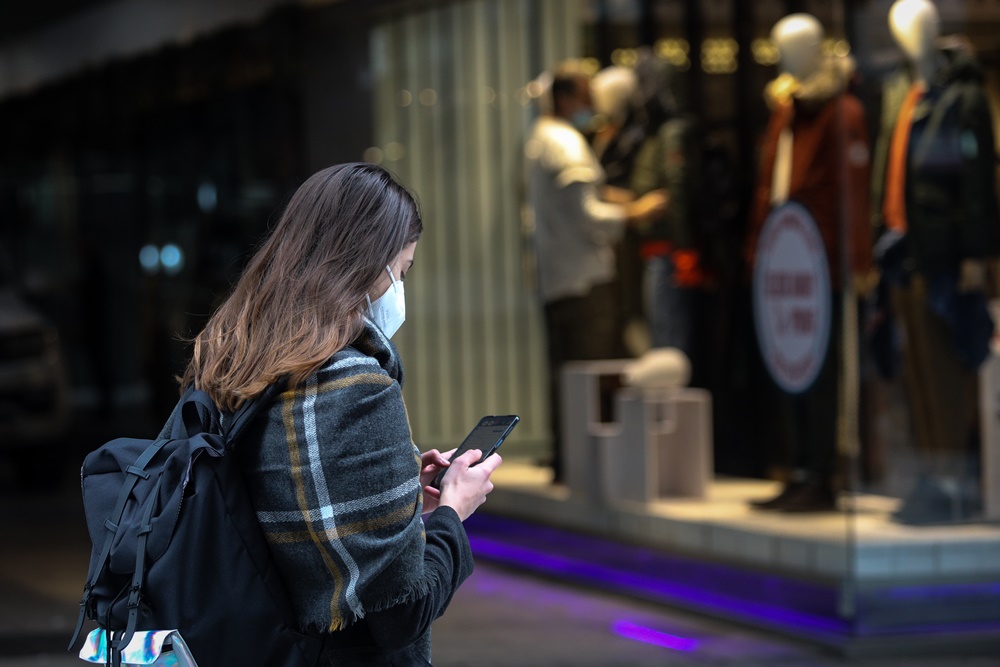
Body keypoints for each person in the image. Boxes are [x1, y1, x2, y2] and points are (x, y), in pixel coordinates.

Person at [174, 162, 501, 665]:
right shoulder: (356, 388)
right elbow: (401, 613)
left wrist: (396, 491)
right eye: (404, 269)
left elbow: (276, 501)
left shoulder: (231, 361)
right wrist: (455, 510)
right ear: (368, 264)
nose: (401, 288)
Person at [871, 0, 1000, 524]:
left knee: (948, 365)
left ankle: (951, 480)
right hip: (904, 248)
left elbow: (976, 181)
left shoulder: (963, 97)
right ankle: (934, 472)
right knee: (918, 367)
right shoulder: (902, 93)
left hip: (943, 251)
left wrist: (975, 254)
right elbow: (888, 167)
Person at [744, 14, 872, 512]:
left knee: (820, 368)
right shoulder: (787, 109)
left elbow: (852, 193)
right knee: (789, 364)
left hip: (822, 261)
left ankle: (822, 471)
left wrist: (855, 258)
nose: (783, 61)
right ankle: (799, 468)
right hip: (786, 260)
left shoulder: (842, 112)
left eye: (791, 49)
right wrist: (759, 250)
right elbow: (770, 186)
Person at [525, 59, 668, 483]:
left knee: (566, 373)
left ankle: (568, 461)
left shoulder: (539, 138)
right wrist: (635, 213)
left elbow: (577, 198)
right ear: (568, 97)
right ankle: (591, 467)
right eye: (588, 95)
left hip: (557, 277)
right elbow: (586, 212)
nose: (595, 104)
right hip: (584, 277)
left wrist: (614, 199)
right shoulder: (567, 143)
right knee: (590, 378)